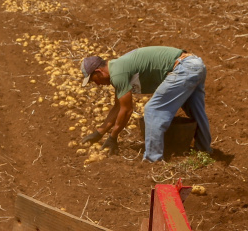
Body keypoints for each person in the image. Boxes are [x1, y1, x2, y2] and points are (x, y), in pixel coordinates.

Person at [80, 46, 212, 162]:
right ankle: (204, 150)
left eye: (93, 80)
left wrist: (113, 136)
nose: (97, 84)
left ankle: (153, 159)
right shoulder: (117, 68)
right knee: (195, 110)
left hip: (183, 68)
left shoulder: (118, 73)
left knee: (152, 110)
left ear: (98, 72)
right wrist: (99, 132)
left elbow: (127, 110)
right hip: (194, 64)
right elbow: (118, 106)